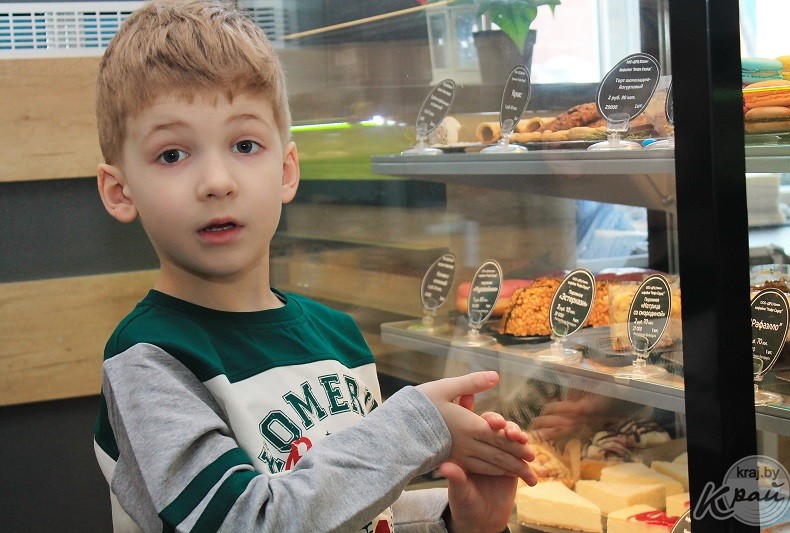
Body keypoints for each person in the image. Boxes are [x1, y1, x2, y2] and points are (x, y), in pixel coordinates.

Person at [91, 1, 537, 532]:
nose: (217, 181)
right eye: (172, 155)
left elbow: (359, 513)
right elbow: (248, 521)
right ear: (120, 191)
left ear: (286, 171)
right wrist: (413, 428)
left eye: (244, 145)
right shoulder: (149, 361)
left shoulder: (338, 337)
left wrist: (453, 523)